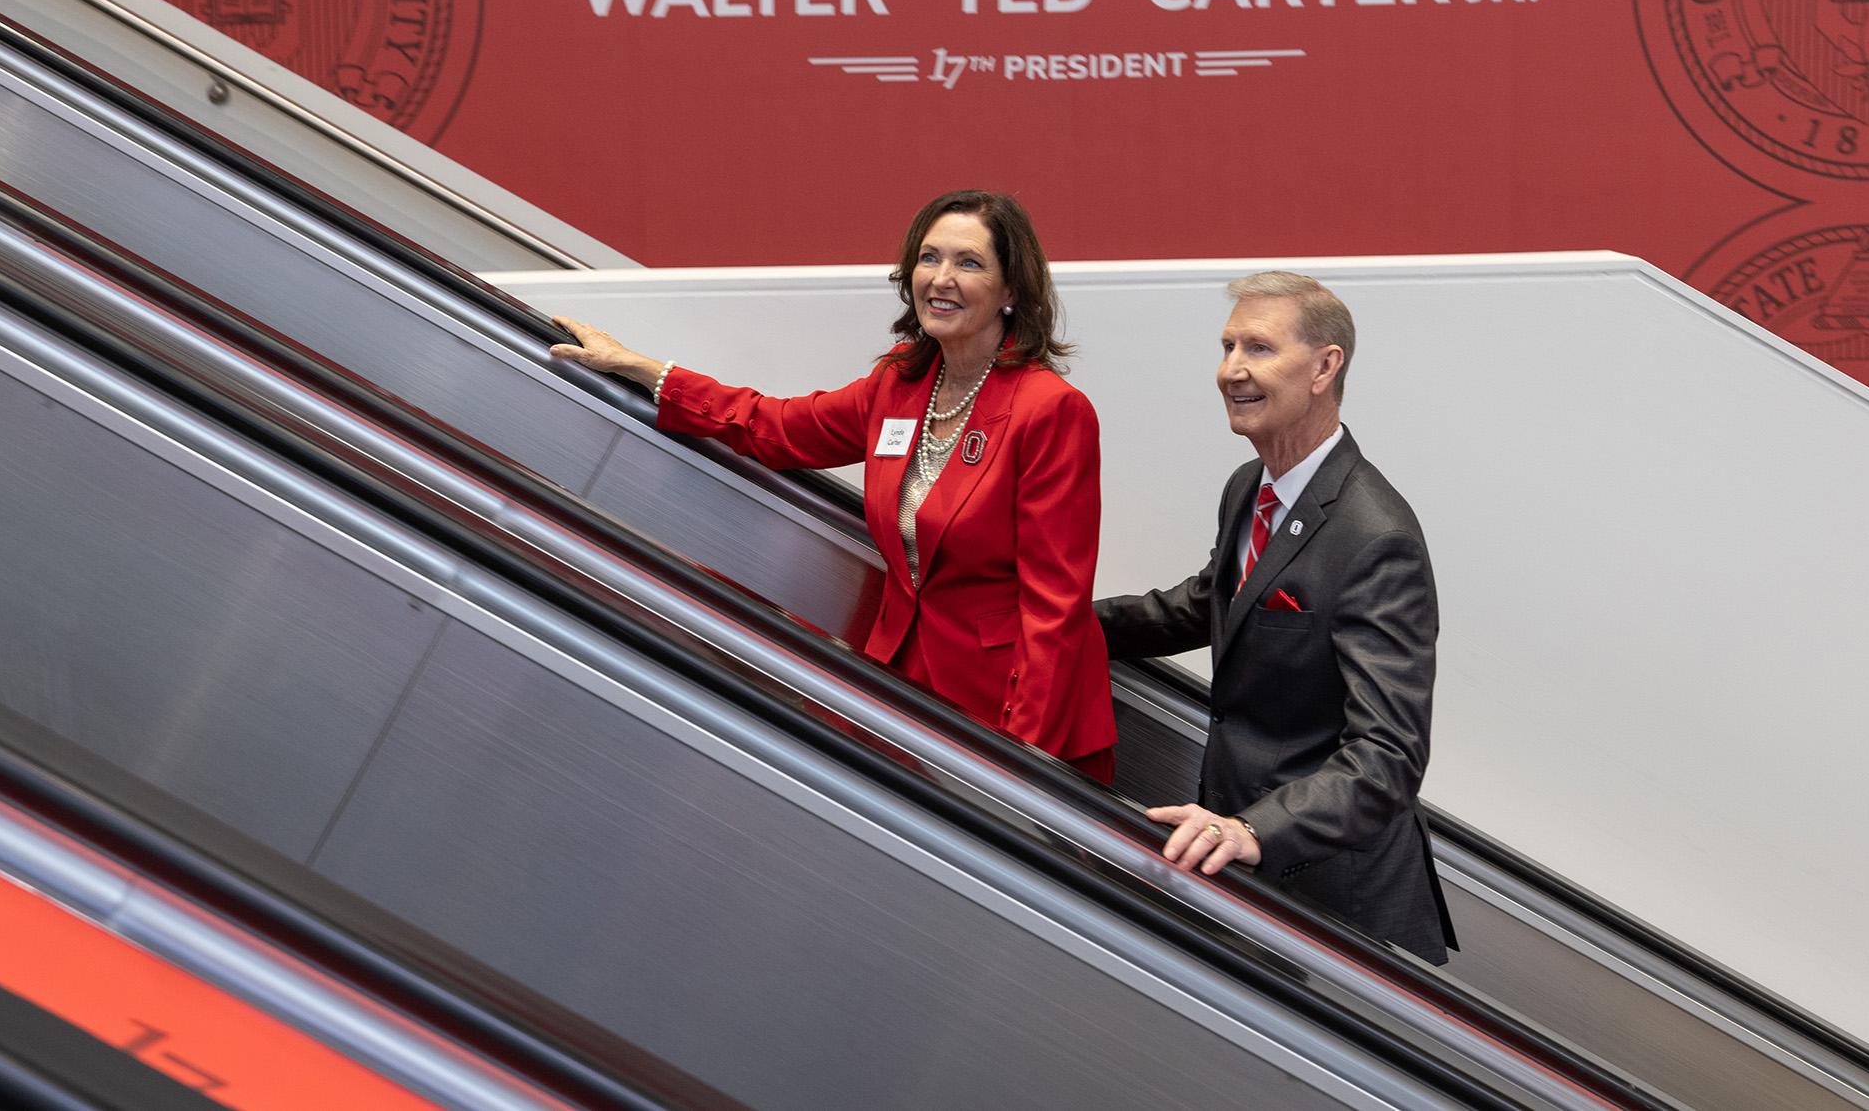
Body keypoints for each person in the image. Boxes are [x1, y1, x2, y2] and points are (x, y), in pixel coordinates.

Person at [549, 190, 1119, 781]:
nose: (941, 279)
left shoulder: (1050, 411)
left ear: (1011, 291)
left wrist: (1022, 765)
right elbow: (772, 426)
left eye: (969, 263)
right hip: (908, 694)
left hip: (1017, 716)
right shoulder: (899, 383)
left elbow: (1054, 607)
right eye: (929, 258)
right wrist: (644, 369)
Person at [1096, 271, 1455, 961]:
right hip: (1245, 861)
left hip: (1329, 897)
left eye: (1257, 348)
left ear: (1325, 365)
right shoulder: (1249, 486)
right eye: (1227, 346)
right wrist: (1057, 624)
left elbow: (1388, 754)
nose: (1230, 369)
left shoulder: (1374, 535)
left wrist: (1253, 829)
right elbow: (1207, 604)